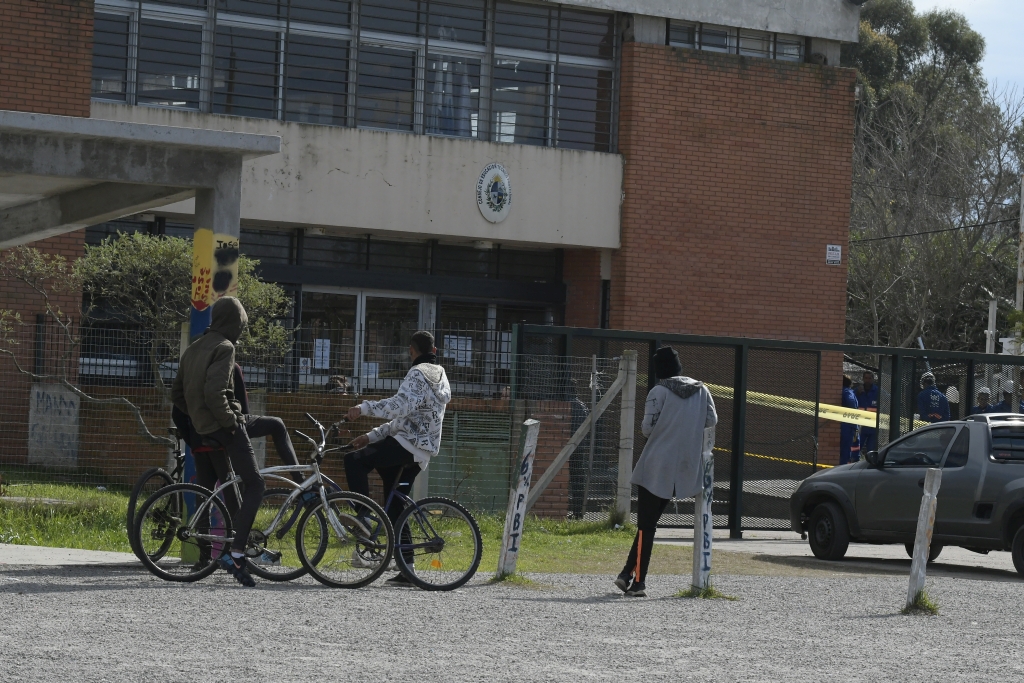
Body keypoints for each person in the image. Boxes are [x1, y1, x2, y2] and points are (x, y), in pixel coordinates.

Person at [171, 297, 270, 587]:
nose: (241, 330)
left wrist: (198, 416)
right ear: (234, 323)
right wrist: (230, 422)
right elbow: (217, 393)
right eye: (241, 324)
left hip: (201, 431)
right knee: (254, 484)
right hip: (223, 428)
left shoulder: (192, 349)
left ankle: (211, 555)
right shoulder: (225, 347)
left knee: (213, 489)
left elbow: (177, 395)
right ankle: (236, 553)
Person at [344, 330, 451, 585]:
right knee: (395, 505)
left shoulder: (417, 373)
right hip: (421, 452)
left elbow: (399, 407)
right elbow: (405, 417)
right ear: (434, 351)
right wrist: (371, 437)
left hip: (405, 445)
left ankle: (364, 518)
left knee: (354, 460)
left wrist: (364, 407)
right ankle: (408, 568)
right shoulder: (441, 375)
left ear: (412, 351)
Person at [614, 346, 717, 598]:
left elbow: (647, 428)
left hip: (656, 465)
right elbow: (711, 420)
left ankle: (639, 582)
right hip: (684, 465)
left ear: (659, 369)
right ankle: (626, 573)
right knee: (648, 524)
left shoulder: (658, 391)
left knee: (646, 526)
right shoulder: (702, 390)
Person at [856, 371, 880, 455]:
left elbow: (887, 399)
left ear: (873, 379)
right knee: (856, 448)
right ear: (863, 379)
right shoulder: (857, 391)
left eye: (870, 378)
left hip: (872, 426)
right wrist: (857, 393)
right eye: (866, 378)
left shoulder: (878, 391)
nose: (867, 380)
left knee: (871, 451)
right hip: (860, 426)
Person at [840, 375, 860, 465]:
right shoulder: (848, 391)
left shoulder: (845, 391)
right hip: (850, 425)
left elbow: (850, 402)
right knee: (848, 449)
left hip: (847, 425)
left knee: (846, 449)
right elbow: (851, 403)